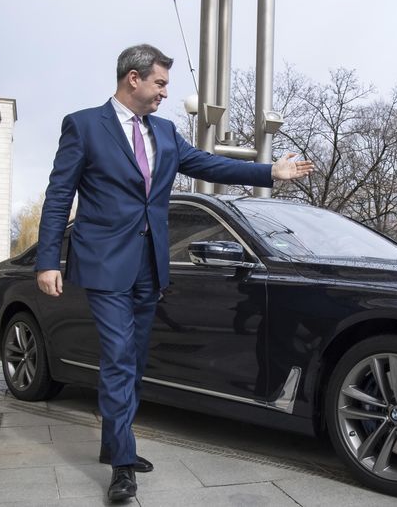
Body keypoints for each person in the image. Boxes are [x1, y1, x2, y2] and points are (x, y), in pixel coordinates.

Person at [34, 44, 314, 502]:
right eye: (160, 83)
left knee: (136, 358)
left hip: (150, 265)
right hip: (104, 263)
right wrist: (48, 260)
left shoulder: (164, 131)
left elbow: (207, 163)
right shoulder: (84, 125)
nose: (165, 93)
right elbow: (59, 195)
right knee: (120, 356)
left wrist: (270, 173)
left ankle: (114, 442)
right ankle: (123, 463)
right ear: (134, 79)